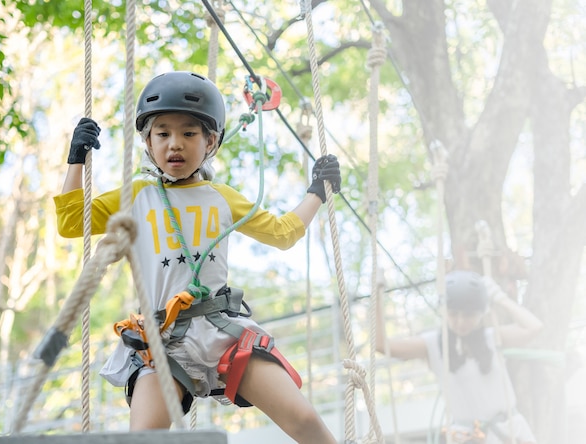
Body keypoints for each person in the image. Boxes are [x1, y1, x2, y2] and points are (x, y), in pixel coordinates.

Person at [54, 71, 339, 443]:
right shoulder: (137, 194)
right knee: (143, 437)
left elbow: (282, 233)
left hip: (222, 330)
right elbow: (72, 221)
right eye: (163, 133)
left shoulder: (221, 196)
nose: (175, 144)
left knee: (305, 421)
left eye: (189, 133)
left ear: (211, 142)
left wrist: (318, 190)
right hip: (163, 338)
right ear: (147, 142)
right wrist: (76, 159)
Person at [376, 269, 544, 444]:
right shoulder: (432, 344)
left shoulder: (492, 338)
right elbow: (382, 345)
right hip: (467, 438)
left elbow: (534, 328)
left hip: (509, 433)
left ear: (481, 313)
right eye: (453, 314)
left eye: (468, 315)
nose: (460, 322)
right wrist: (377, 296)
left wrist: (499, 298)